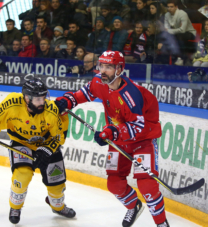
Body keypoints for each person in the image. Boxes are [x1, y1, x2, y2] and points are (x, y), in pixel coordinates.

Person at [54, 51, 170, 227]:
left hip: (142, 140)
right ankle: (133, 206)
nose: (103, 70)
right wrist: (67, 101)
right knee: (114, 184)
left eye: (108, 67)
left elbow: (137, 126)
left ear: (119, 69)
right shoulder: (99, 82)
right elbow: (82, 94)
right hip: (118, 139)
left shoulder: (131, 95)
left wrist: (110, 133)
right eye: (102, 65)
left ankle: (162, 224)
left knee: (147, 186)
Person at [0, 78, 76, 225]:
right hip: (21, 143)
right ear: (26, 98)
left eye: (43, 97)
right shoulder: (12, 103)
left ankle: (57, 206)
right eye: (37, 99)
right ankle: (15, 207)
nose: (42, 102)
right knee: (22, 175)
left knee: (57, 186)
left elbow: (59, 136)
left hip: (48, 146)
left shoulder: (52, 110)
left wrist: (47, 150)